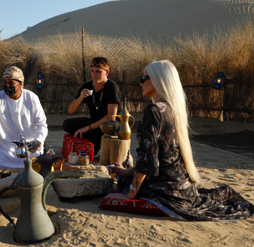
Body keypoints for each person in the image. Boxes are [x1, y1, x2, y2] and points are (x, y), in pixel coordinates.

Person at [106, 60, 254, 221]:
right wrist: (128, 170)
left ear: (158, 81)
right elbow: (161, 156)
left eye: (144, 79)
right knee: (125, 175)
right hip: (182, 186)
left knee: (122, 182)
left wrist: (130, 194)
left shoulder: (153, 110)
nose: (140, 83)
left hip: (165, 189)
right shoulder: (172, 108)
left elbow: (149, 161)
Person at [63, 57, 121, 155]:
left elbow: (111, 116)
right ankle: (94, 144)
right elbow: (70, 110)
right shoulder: (87, 86)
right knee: (67, 124)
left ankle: (97, 145)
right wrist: (81, 97)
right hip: (95, 124)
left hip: (110, 125)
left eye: (98, 72)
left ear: (107, 72)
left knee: (110, 126)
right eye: (92, 71)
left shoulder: (111, 87)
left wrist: (87, 128)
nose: (94, 75)